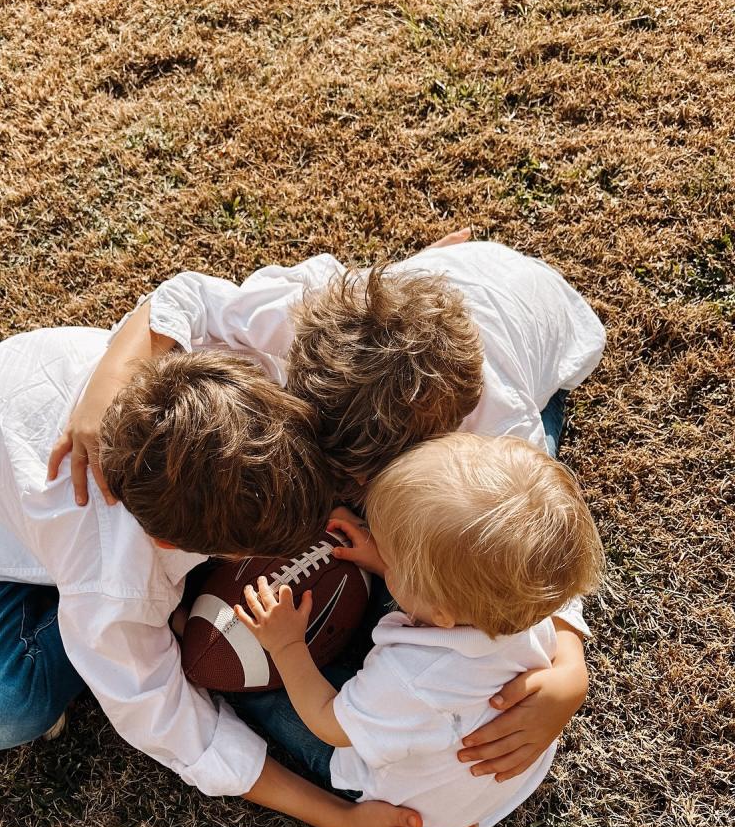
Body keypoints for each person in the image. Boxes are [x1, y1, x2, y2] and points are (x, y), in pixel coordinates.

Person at [0, 329, 477, 827]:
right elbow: (176, 727)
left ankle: (168, 607)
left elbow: (184, 297)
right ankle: (131, 614)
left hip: (39, 393)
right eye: (252, 551)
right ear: (169, 544)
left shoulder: (246, 377)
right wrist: (345, 819)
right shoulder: (116, 583)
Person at [51, 232, 605, 782]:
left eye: (358, 480)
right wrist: (108, 383)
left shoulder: (495, 424)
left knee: (462, 567)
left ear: (442, 440)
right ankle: (430, 271)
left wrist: (569, 660)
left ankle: (436, 275)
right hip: (437, 304)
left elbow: (534, 537)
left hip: (536, 343)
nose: (335, 492)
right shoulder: (300, 311)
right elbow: (187, 296)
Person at [234, 433, 605, 827]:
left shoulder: (411, 679)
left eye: (393, 558)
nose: (381, 549)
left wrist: (287, 645)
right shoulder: (525, 603)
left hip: (408, 803)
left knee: (269, 698)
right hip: (495, 781)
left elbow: (331, 726)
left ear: (441, 613)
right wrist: (388, 562)